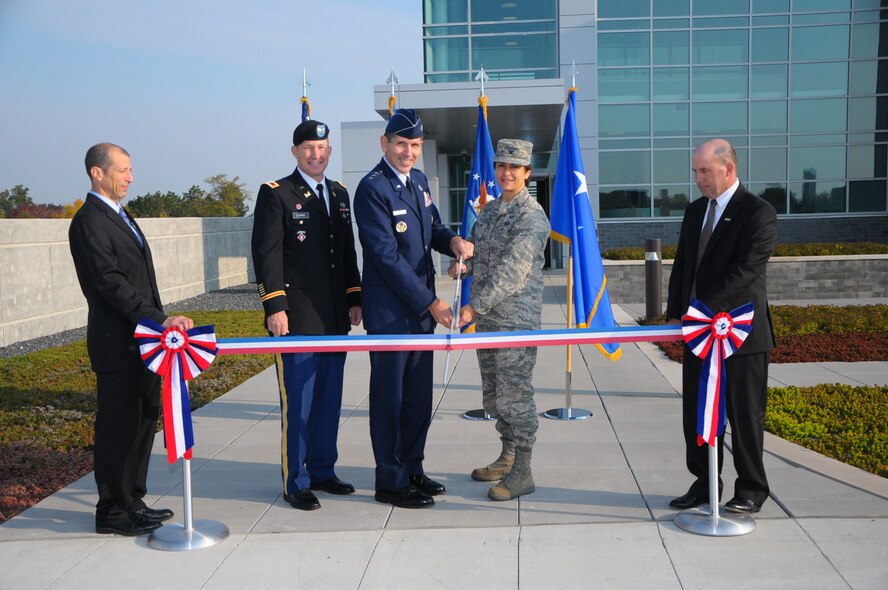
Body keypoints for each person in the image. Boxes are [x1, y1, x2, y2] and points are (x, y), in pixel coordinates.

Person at [69, 143, 193, 535]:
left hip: (145, 344)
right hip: (117, 344)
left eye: (130, 169)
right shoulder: (89, 221)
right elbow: (110, 283)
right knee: (118, 429)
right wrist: (160, 320)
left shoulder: (121, 216)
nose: (130, 177)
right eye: (122, 170)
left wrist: (157, 326)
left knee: (141, 423)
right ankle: (112, 512)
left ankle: (133, 500)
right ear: (97, 172)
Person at [353, 109, 474, 509]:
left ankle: (412, 468)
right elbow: (386, 257)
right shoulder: (372, 189)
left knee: (418, 399)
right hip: (392, 316)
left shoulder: (418, 181)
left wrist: (452, 242)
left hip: (420, 315)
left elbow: (432, 228)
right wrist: (431, 302)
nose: (409, 152)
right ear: (384, 143)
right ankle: (390, 480)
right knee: (390, 400)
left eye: (416, 145)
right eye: (402, 144)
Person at [251, 120, 362, 511]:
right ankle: (295, 481)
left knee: (329, 400)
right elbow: (266, 255)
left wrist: (354, 296)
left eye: (322, 147)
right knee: (299, 402)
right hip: (295, 318)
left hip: (333, 317)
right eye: (309, 148)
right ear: (295, 152)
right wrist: (275, 306)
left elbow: (346, 252)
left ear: (329, 151)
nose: (317, 154)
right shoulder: (276, 193)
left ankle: (322, 470)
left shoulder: (339, 193)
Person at [665, 138, 778, 514]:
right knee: (697, 414)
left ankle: (751, 489)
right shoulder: (695, 210)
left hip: (741, 335)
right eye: (695, 172)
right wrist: (675, 313)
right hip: (699, 335)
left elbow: (746, 272)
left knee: (745, 416)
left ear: (728, 169)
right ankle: (705, 483)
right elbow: (684, 264)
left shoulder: (758, 212)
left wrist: (701, 310)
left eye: (705, 171)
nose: (698, 179)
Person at [450, 139, 550, 501]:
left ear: (527, 172)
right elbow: (480, 254)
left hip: (515, 322)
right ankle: (507, 456)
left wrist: (473, 307)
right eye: (502, 166)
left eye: (514, 167)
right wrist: (463, 265)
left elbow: (512, 273)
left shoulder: (531, 216)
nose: (507, 173)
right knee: (495, 394)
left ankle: (523, 470)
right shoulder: (490, 211)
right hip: (490, 322)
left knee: (515, 394)